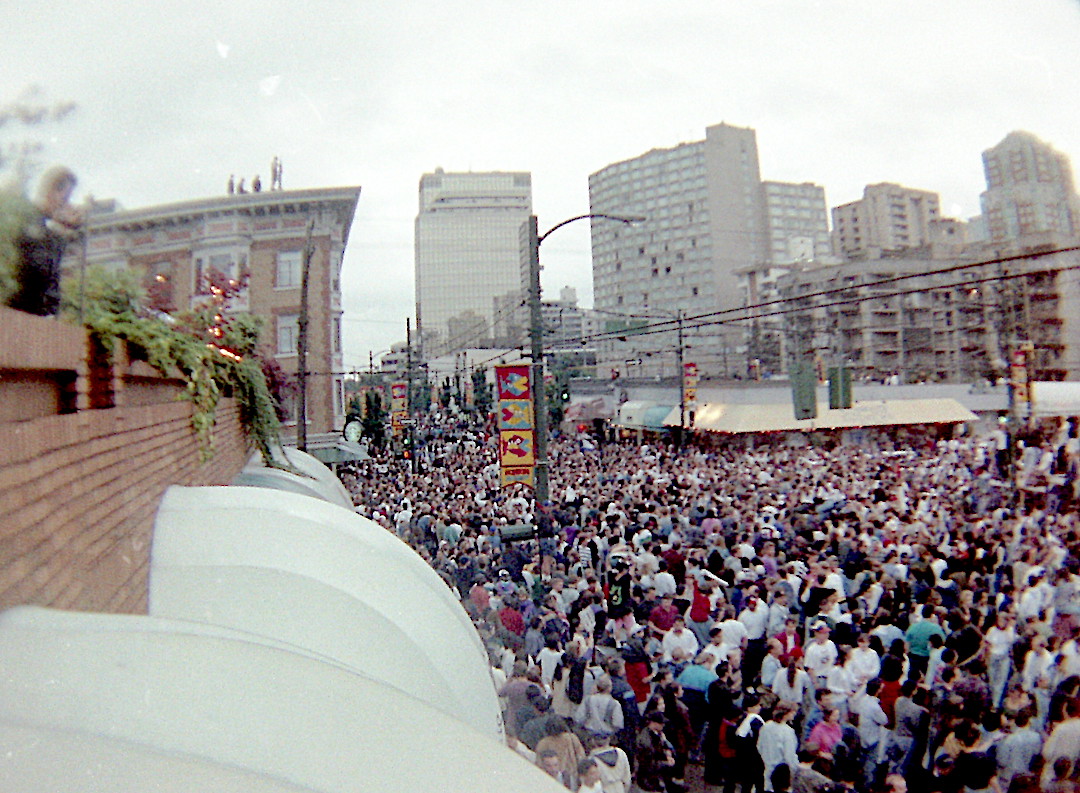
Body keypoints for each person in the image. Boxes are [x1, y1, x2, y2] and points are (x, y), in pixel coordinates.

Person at [7, 165, 84, 316]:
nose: (65, 204)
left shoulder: (44, 229)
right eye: (65, 198)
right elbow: (38, 270)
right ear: (52, 190)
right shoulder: (25, 219)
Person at [758, 702, 799, 792]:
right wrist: (794, 770)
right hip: (781, 771)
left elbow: (759, 747)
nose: (794, 714)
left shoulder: (766, 726)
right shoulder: (787, 731)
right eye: (793, 712)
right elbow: (789, 755)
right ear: (785, 713)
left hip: (766, 767)